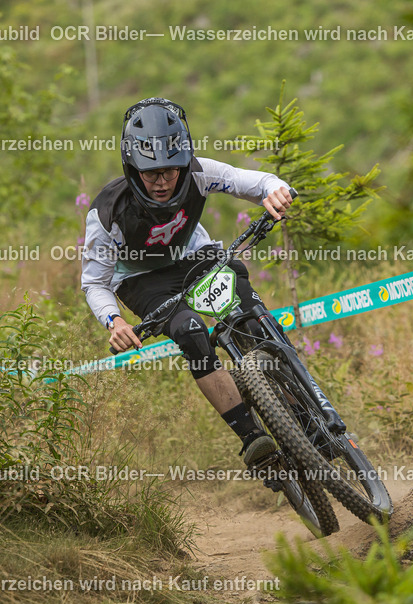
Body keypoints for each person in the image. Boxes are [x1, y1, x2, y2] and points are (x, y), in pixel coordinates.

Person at [80, 97, 294, 473]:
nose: (162, 182)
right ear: (132, 167)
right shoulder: (106, 212)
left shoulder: (198, 172)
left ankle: (300, 402)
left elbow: (252, 182)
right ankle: (252, 439)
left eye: (170, 171)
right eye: (150, 173)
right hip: (142, 279)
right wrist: (115, 321)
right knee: (190, 330)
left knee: (246, 307)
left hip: (194, 256)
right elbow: (94, 282)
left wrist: (274, 188)